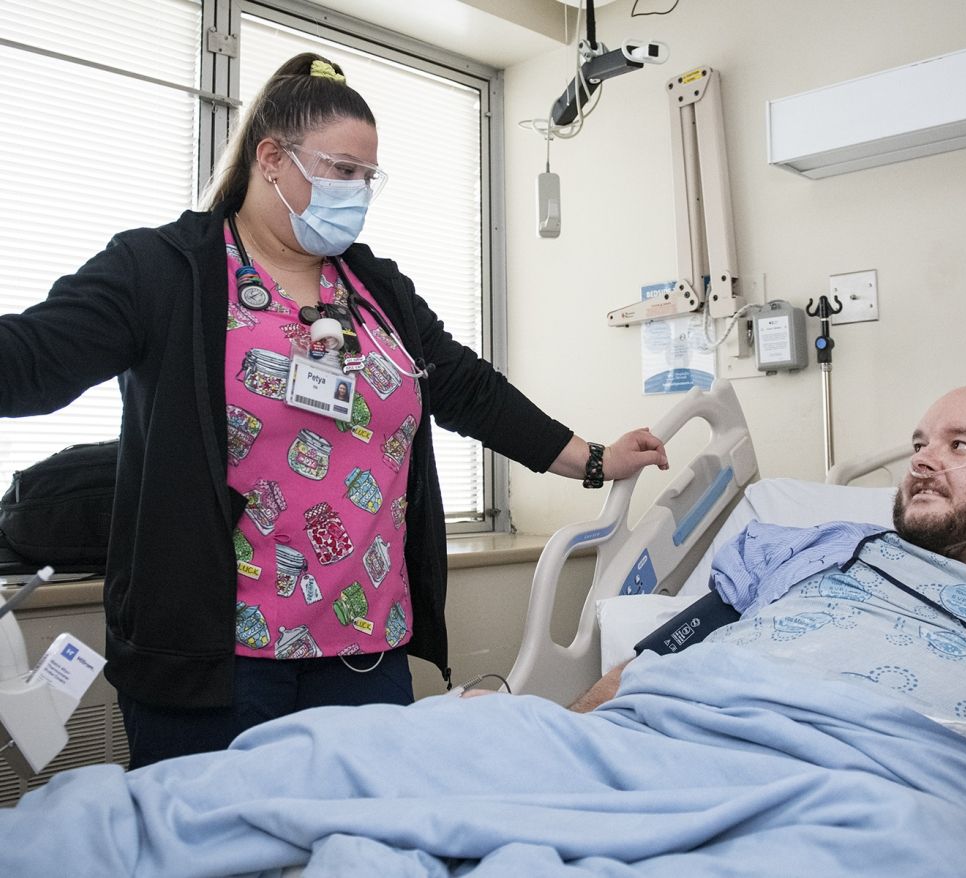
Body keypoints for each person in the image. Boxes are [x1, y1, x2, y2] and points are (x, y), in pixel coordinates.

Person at [0, 52, 667, 769]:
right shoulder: (164, 272)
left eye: (367, 176)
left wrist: (595, 460)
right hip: (216, 661)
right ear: (271, 158)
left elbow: (468, 390)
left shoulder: (376, 288)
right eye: (341, 171)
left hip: (361, 649)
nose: (358, 192)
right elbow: (32, 361)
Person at [572, 384, 966, 877]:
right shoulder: (810, 547)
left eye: (958, 446)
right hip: (672, 745)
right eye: (920, 444)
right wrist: (569, 733)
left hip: (912, 797)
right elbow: (650, 667)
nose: (922, 459)